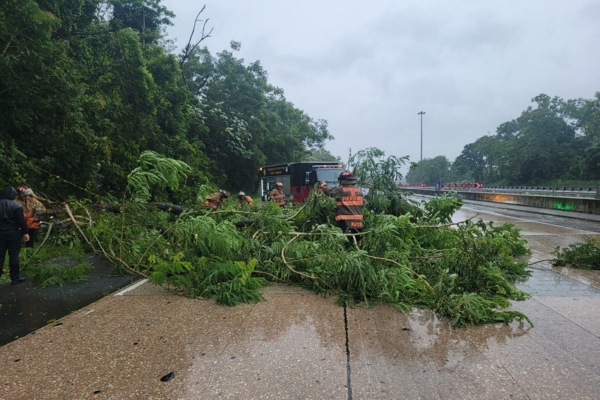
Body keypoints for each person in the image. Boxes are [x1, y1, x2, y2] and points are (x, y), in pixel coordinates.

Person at [0, 186, 30, 285]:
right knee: (13, 256)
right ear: (13, 195)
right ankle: (15, 278)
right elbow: (21, 221)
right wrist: (25, 232)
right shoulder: (16, 206)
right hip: (13, 233)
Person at [15, 186, 46, 252]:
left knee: (30, 242)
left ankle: (30, 256)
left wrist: (39, 211)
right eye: (25, 195)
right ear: (20, 194)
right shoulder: (15, 202)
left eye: (27, 195)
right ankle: (16, 257)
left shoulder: (32, 200)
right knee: (16, 243)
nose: (26, 196)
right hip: (20, 225)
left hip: (31, 224)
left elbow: (43, 208)